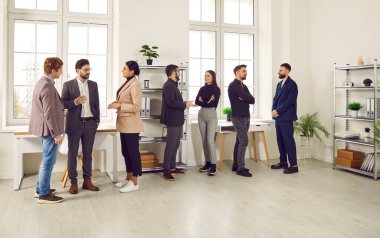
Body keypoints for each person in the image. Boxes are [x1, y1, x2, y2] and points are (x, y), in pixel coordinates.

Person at [29, 57, 64, 204]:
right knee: (48, 161)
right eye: (60, 70)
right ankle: (44, 194)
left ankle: (40, 189)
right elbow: (48, 113)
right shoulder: (47, 86)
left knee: (47, 160)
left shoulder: (41, 82)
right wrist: (56, 133)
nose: (61, 72)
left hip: (45, 129)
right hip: (49, 131)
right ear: (53, 70)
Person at [62, 59, 100, 194]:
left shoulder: (94, 85)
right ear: (78, 70)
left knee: (88, 154)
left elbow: (96, 104)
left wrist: (97, 121)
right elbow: (63, 104)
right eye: (85, 70)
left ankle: (87, 181)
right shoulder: (68, 85)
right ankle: (73, 183)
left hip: (90, 123)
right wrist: (75, 101)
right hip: (74, 124)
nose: (88, 72)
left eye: (89, 69)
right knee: (72, 154)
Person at [108, 61, 144, 192]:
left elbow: (137, 107)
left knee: (133, 153)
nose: (122, 70)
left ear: (132, 71)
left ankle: (134, 182)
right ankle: (128, 178)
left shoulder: (135, 84)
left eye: (125, 69)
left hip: (131, 125)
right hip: (124, 124)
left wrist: (120, 106)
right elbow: (126, 100)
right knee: (126, 152)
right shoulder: (128, 82)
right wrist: (116, 103)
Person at [160, 64, 195, 181]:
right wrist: (185, 104)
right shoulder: (169, 86)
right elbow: (171, 103)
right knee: (171, 145)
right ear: (173, 73)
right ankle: (166, 171)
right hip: (172, 120)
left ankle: (172, 168)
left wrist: (186, 102)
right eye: (178, 71)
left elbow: (175, 101)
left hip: (177, 120)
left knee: (175, 145)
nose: (180, 73)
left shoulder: (173, 85)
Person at [228, 64, 255, 177]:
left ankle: (236, 165)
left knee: (239, 141)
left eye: (246, 71)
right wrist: (245, 98)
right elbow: (248, 98)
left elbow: (252, 100)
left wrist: (244, 98)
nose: (246, 73)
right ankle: (241, 168)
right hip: (238, 117)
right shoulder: (233, 85)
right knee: (244, 141)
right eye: (244, 71)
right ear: (237, 72)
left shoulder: (244, 86)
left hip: (246, 116)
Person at [271, 63, 299, 174]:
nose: (279, 72)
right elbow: (275, 99)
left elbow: (290, 102)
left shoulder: (292, 85)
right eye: (279, 70)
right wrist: (273, 111)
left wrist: (278, 110)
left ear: (287, 71)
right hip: (278, 117)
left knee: (288, 141)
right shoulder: (279, 84)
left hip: (286, 117)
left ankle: (294, 165)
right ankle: (283, 162)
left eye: (281, 70)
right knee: (280, 141)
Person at [195, 70, 220, 176]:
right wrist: (207, 101)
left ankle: (214, 165)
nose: (206, 77)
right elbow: (197, 101)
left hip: (211, 115)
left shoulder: (216, 89)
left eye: (208, 76)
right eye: (205, 76)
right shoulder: (202, 88)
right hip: (201, 115)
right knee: (204, 140)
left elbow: (213, 102)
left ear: (213, 77)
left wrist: (203, 101)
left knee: (210, 140)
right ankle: (208, 163)